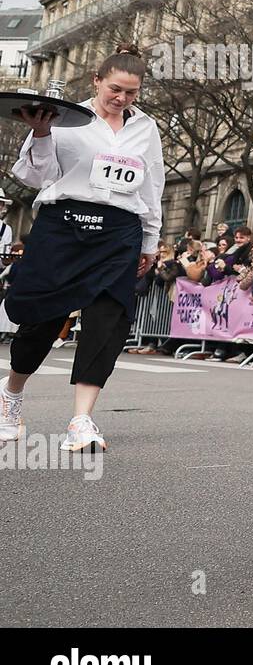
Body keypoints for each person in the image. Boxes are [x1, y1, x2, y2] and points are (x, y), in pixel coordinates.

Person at [0, 44, 164, 450]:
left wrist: (150, 239)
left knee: (107, 319)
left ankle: (81, 419)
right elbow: (37, 176)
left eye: (131, 92)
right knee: (41, 318)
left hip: (120, 230)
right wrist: (40, 133)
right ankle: (12, 398)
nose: (121, 99)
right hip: (64, 225)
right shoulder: (63, 118)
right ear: (96, 81)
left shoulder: (146, 128)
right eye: (114, 89)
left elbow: (152, 185)